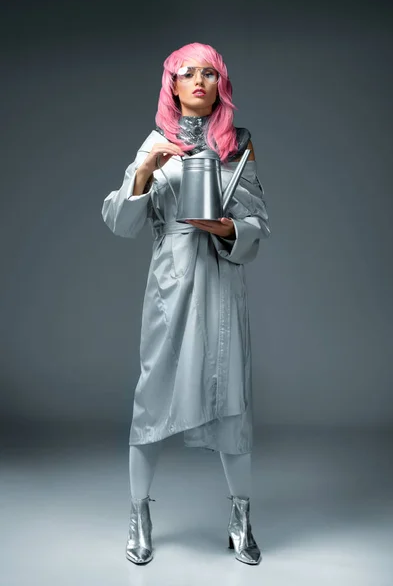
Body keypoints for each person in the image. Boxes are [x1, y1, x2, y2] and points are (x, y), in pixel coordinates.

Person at [101, 42, 271, 566]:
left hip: (220, 285)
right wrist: (146, 170)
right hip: (172, 286)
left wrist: (227, 229)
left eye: (209, 73)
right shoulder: (156, 142)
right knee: (154, 398)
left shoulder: (238, 146)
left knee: (231, 400)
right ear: (171, 86)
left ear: (221, 85)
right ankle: (138, 511)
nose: (199, 81)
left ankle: (241, 517)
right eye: (187, 73)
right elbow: (119, 220)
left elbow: (258, 224)